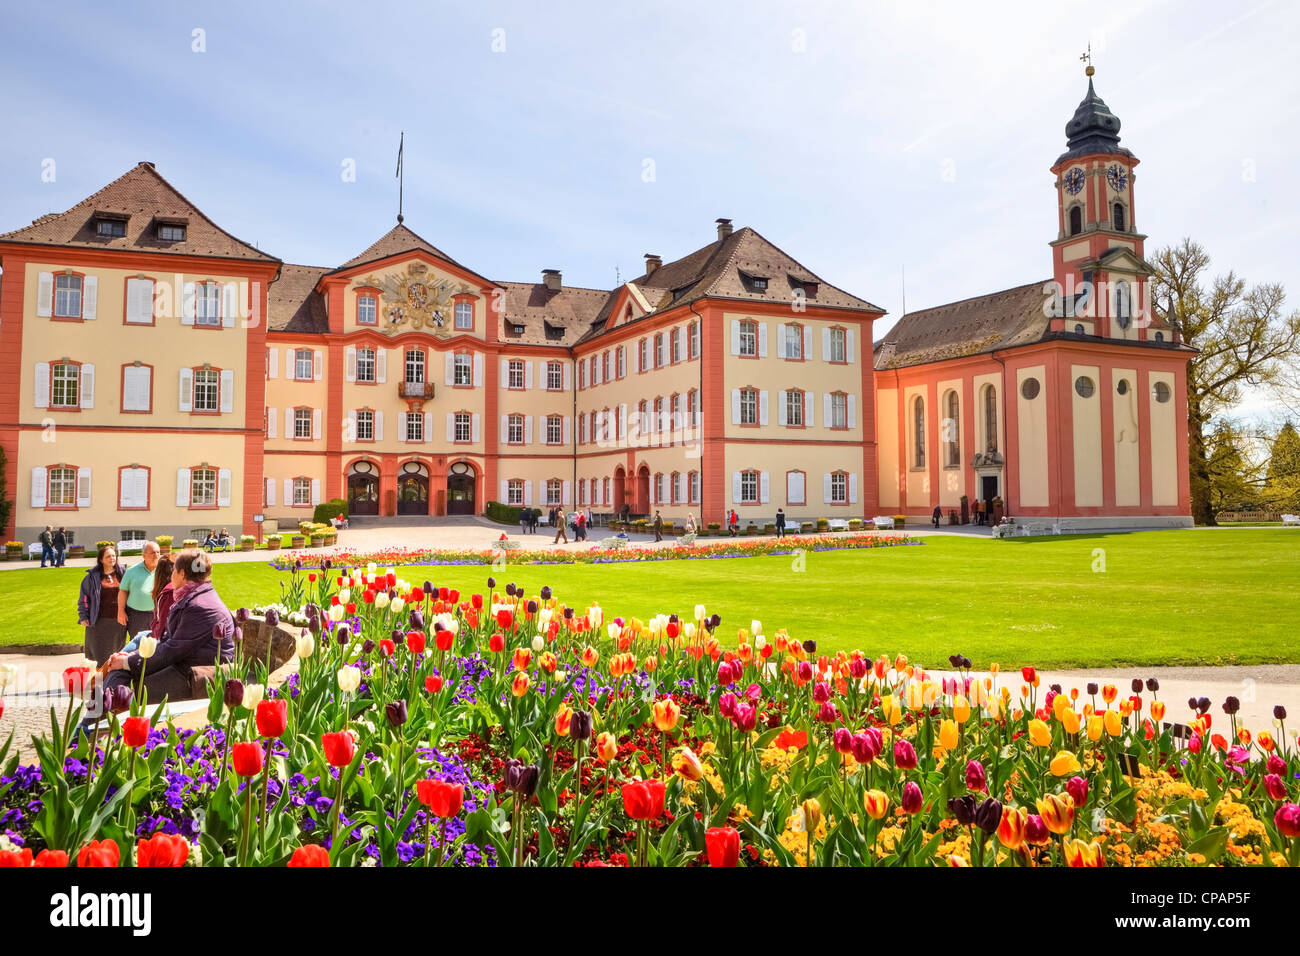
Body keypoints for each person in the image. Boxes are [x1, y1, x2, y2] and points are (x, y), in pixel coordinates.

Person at [103, 549, 235, 703]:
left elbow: (171, 650)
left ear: (182, 574)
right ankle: (104, 713)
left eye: (174, 571)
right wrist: (132, 656)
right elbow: (169, 641)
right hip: (185, 663)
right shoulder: (196, 596)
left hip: (194, 674)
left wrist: (127, 662)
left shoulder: (199, 606)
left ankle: (105, 714)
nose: (171, 576)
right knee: (120, 673)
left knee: (128, 687)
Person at [78, 544, 128, 666]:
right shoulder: (91, 578)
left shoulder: (123, 574)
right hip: (99, 622)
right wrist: (83, 616)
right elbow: (84, 598)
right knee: (98, 656)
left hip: (118, 622)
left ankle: (113, 678)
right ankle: (98, 677)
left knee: (116, 656)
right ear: (101, 559)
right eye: (108, 556)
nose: (112, 558)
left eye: (114, 556)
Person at [119, 541, 161, 640]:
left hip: (158, 614)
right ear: (144, 555)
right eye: (153, 552)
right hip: (136, 616)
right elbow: (123, 591)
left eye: (158, 552)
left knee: (158, 642)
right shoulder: (131, 571)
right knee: (138, 643)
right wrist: (120, 611)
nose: (156, 555)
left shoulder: (164, 570)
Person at [148, 554, 176, 641]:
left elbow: (162, 626)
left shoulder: (168, 594)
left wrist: (152, 635)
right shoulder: (168, 592)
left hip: (165, 640)